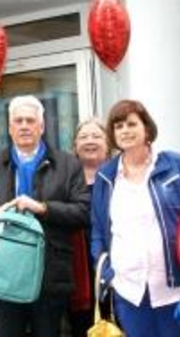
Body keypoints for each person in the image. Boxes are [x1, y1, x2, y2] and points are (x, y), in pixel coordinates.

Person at [0, 95, 90, 337]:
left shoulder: (68, 164)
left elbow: (83, 213)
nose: (24, 126)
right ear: (10, 128)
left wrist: (43, 208)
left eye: (30, 121)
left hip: (50, 274)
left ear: (41, 127)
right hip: (4, 275)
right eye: (18, 121)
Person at [91, 99, 180, 337]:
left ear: (147, 129)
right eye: (118, 126)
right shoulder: (106, 175)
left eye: (131, 124)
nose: (125, 131)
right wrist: (108, 273)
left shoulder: (173, 165)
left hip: (173, 289)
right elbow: (98, 231)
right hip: (128, 291)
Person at [67, 118, 110, 337]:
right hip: (78, 269)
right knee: (82, 327)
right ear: (74, 146)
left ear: (108, 142)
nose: (89, 141)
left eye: (96, 136)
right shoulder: (65, 179)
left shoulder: (119, 176)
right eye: (83, 137)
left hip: (114, 266)